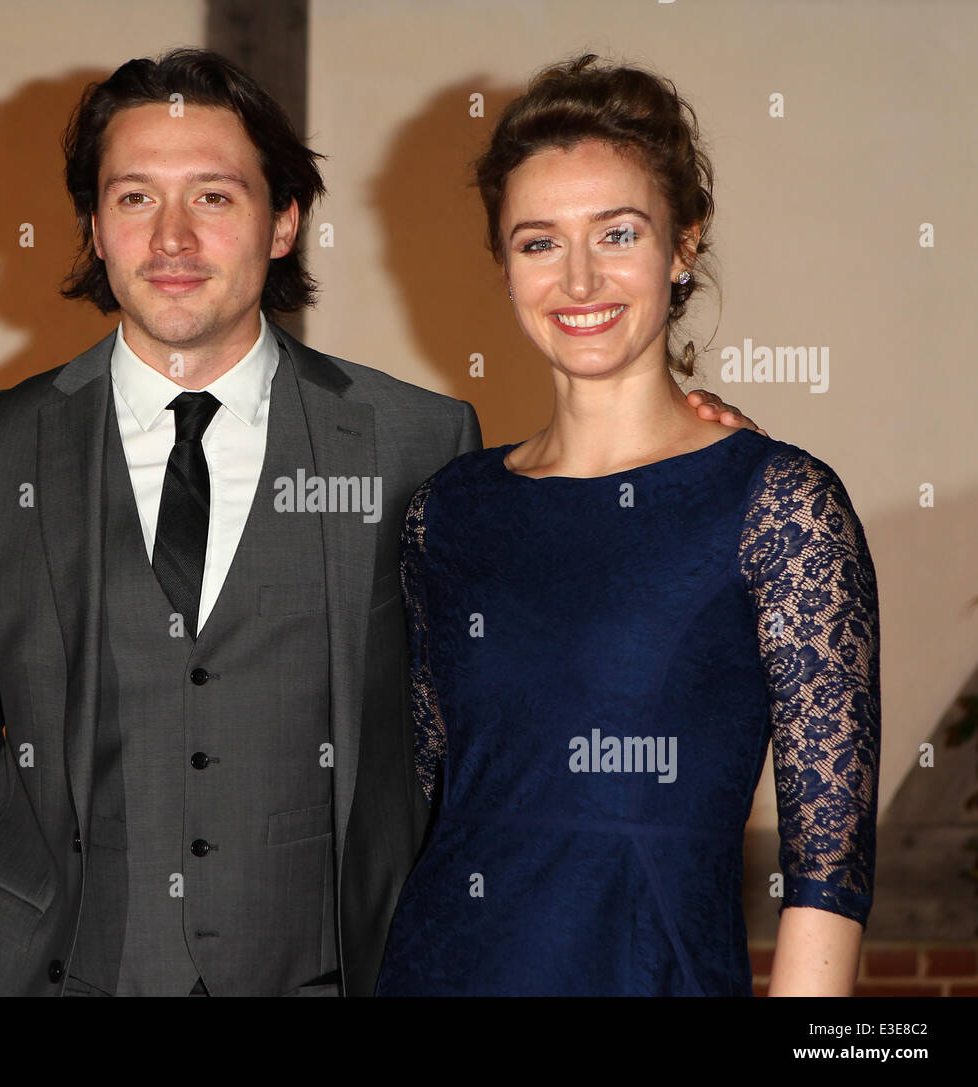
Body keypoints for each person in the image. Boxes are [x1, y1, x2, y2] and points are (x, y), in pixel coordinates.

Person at [0, 48, 757, 997]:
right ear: (95, 225)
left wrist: (692, 454)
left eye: (214, 197)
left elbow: (532, 657)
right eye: (134, 198)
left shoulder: (417, 443)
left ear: (284, 220)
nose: (172, 238)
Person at [375, 54, 880, 997]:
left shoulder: (779, 507)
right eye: (537, 242)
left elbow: (828, 863)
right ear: (503, 263)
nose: (578, 278)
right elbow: (441, 799)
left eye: (616, 233)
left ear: (683, 244)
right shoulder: (445, 513)